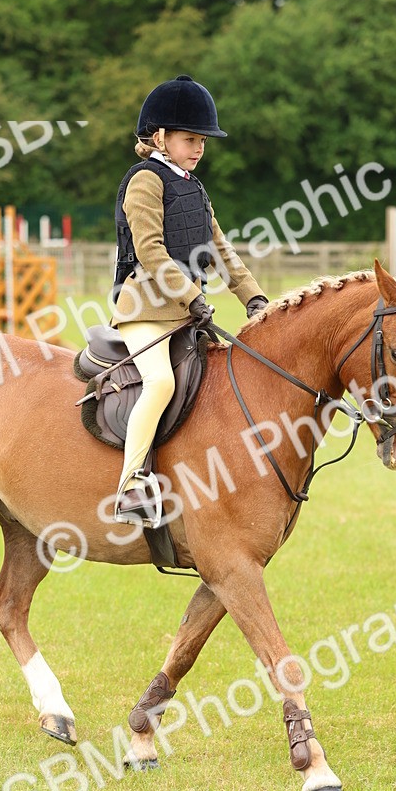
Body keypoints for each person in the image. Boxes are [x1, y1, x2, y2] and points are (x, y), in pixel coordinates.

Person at [110, 74, 268, 526]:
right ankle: (131, 486)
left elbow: (221, 251)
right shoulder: (145, 181)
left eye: (202, 140)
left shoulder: (195, 189)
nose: (198, 148)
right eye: (189, 139)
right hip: (146, 310)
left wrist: (254, 298)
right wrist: (192, 295)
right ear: (159, 137)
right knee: (160, 383)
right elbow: (150, 250)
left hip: (187, 314)